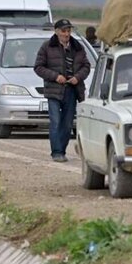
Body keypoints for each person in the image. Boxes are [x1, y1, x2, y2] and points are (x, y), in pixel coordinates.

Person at [34, 20, 91, 162]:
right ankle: (57, 152)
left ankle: (62, 150)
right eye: (64, 31)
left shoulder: (78, 47)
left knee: (67, 123)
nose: (66, 34)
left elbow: (86, 66)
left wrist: (77, 77)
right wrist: (55, 76)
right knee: (55, 121)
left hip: (72, 90)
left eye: (68, 31)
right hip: (54, 90)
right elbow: (38, 67)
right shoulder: (47, 47)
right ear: (57, 31)